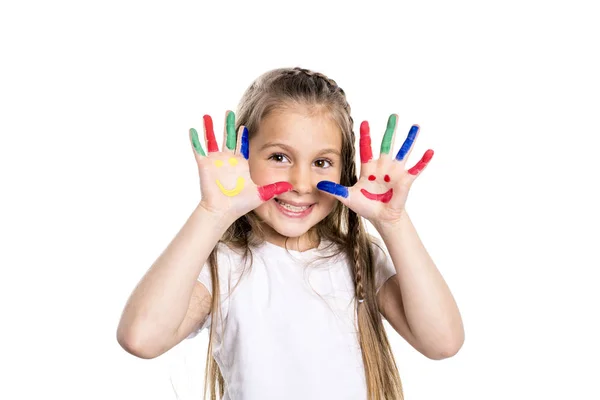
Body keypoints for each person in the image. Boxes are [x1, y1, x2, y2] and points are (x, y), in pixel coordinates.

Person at [117, 67, 464, 400]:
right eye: (279, 156)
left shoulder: (360, 260)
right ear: (243, 156)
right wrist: (212, 213)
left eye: (321, 162)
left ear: (345, 170)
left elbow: (443, 342)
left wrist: (393, 221)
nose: (301, 185)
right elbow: (141, 338)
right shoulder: (224, 266)